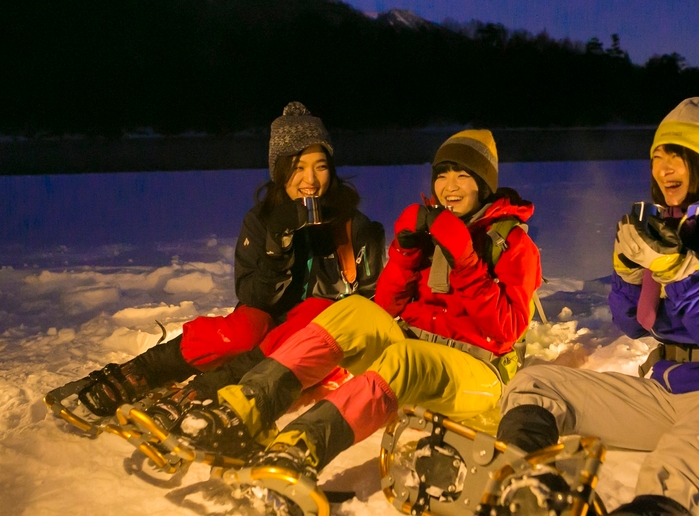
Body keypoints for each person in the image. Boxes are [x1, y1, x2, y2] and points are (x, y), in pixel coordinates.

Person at [171, 129, 543, 485]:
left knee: (405, 358)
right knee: (354, 310)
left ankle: (301, 447)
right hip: (416, 351)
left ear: (483, 184)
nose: (450, 186)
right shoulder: (433, 229)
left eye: (463, 176)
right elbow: (386, 306)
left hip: (477, 373)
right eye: (442, 175)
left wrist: (466, 261)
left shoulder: (511, 243)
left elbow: (508, 330)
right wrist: (406, 253)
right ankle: (246, 409)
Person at [496, 97, 699, 516]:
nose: (663, 168)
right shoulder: (676, 225)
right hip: (670, 391)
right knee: (535, 386)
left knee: (679, 468)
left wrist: (679, 273)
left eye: (677, 156)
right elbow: (636, 324)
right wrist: (628, 273)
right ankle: (528, 492)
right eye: (657, 157)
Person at [61, 102, 385, 420]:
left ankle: (210, 392)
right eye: (298, 167)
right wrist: (278, 243)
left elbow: (371, 304)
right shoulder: (261, 221)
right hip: (265, 328)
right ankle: (146, 370)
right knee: (242, 329)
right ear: (279, 171)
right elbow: (253, 297)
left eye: (320, 166)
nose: (310, 179)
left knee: (313, 313)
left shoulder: (354, 227)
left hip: (315, 344)